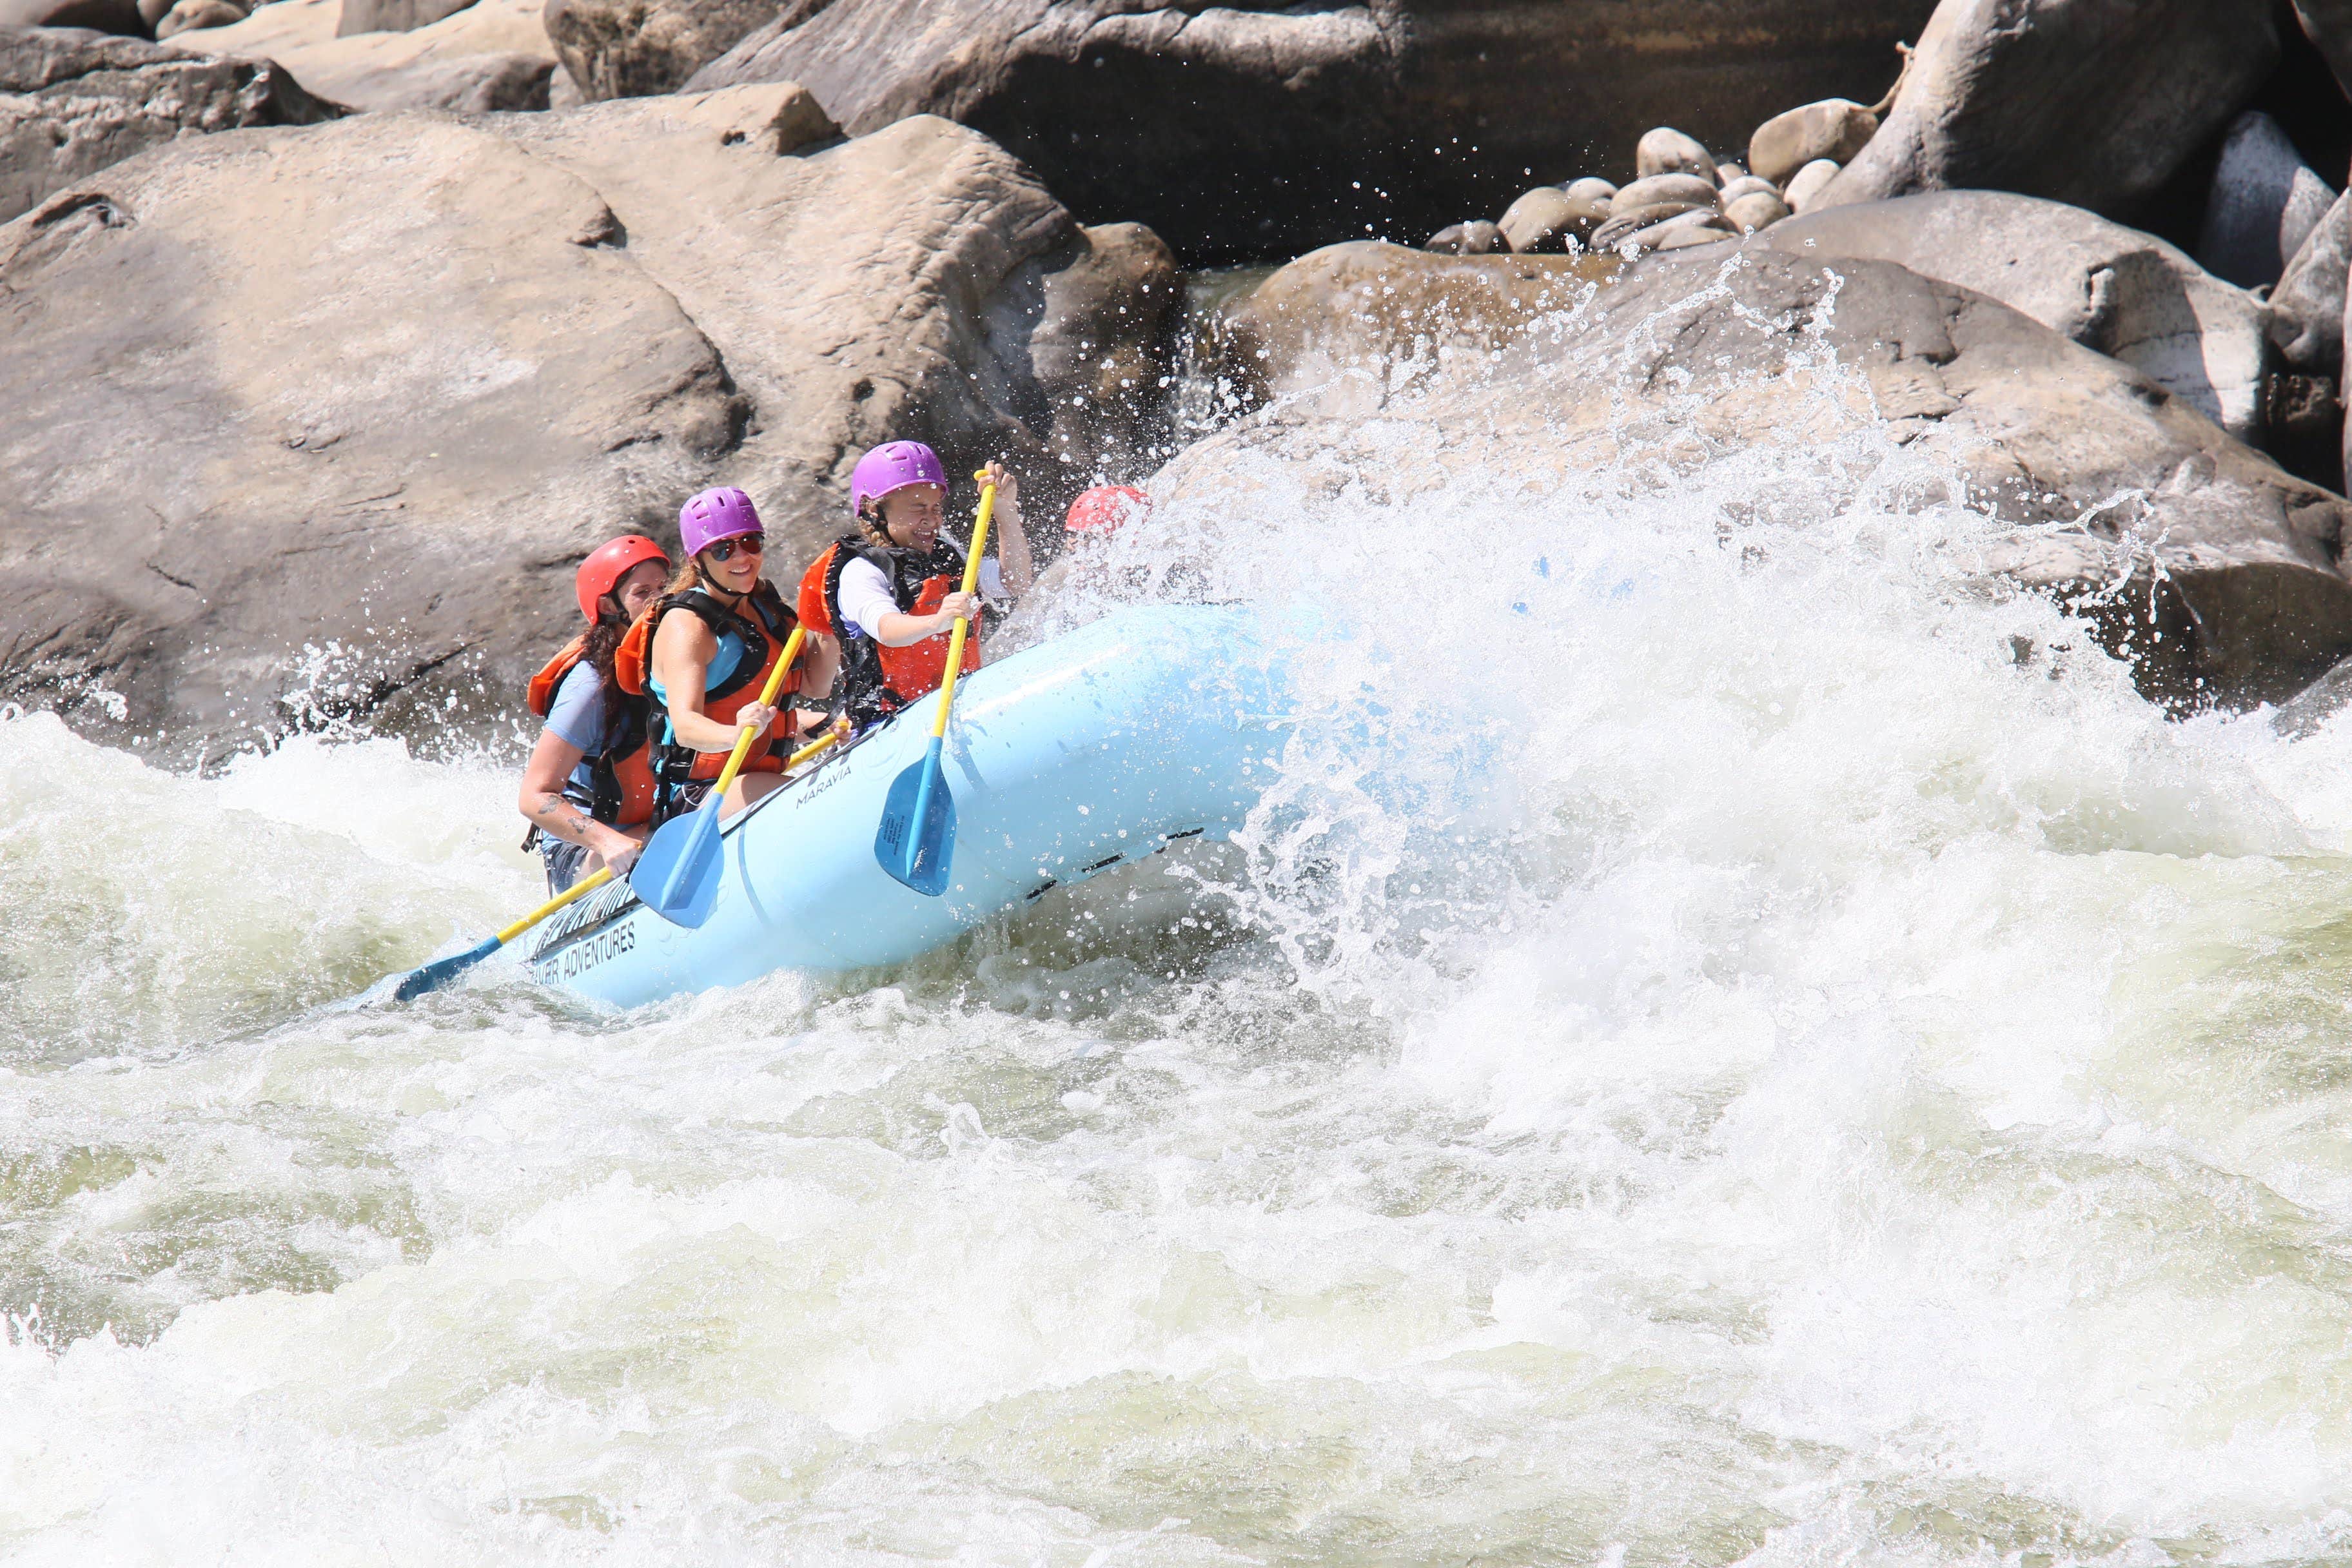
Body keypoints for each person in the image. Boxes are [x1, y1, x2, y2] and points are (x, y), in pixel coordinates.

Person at [614, 486, 839, 827]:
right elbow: (687, 726)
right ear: (697, 560)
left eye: (751, 543)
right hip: (697, 796)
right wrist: (736, 734)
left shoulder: (766, 610)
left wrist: (829, 624)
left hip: (753, 780)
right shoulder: (686, 625)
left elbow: (816, 685)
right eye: (723, 550)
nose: (741, 558)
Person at [796, 442, 1034, 728]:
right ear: (875, 511)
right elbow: (887, 630)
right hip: (890, 721)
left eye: (936, 508)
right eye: (918, 508)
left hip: (957, 702)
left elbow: (1015, 582)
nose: (931, 520)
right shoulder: (861, 571)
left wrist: (1004, 512)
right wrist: (938, 621)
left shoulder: (945, 556)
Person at [518, 534, 672, 894]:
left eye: (664, 588)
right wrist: (606, 843)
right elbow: (534, 796)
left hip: (653, 823)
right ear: (608, 606)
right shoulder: (589, 687)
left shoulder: (673, 655)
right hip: (584, 849)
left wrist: (821, 725)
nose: (660, 602)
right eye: (643, 592)